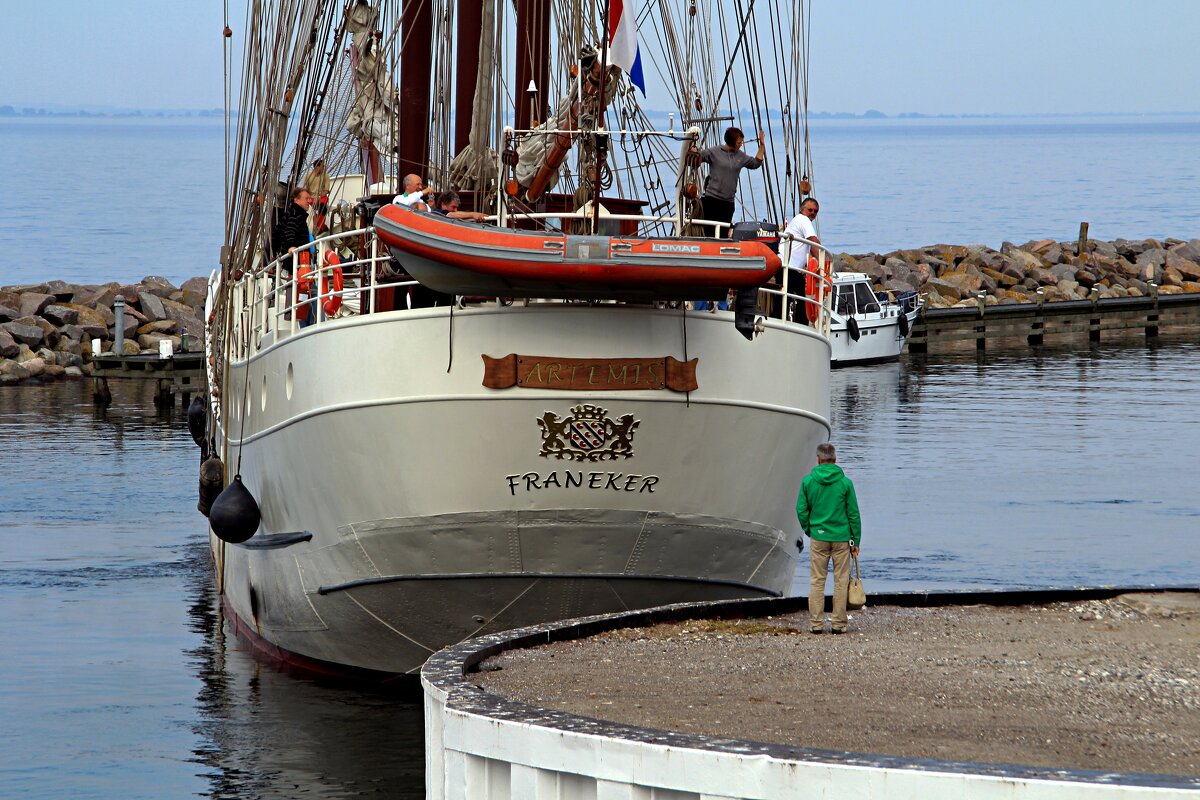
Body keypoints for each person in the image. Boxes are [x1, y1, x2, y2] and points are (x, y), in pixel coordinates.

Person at [796, 442, 861, 634]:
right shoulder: (845, 483)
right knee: (841, 581)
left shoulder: (808, 482)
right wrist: (855, 541)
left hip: (819, 537)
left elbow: (801, 510)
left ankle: (816, 625)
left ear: (818, 459)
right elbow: (853, 514)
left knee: (817, 580)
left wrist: (810, 530)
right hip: (841, 538)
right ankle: (838, 624)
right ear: (835, 459)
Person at [698, 126, 765, 237]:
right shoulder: (713, 152)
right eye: (739, 142)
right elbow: (697, 158)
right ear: (731, 141)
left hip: (727, 203)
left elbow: (756, 163)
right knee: (708, 233)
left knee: (723, 234)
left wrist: (762, 145)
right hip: (711, 201)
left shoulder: (740, 156)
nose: (741, 144)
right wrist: (694, 152)